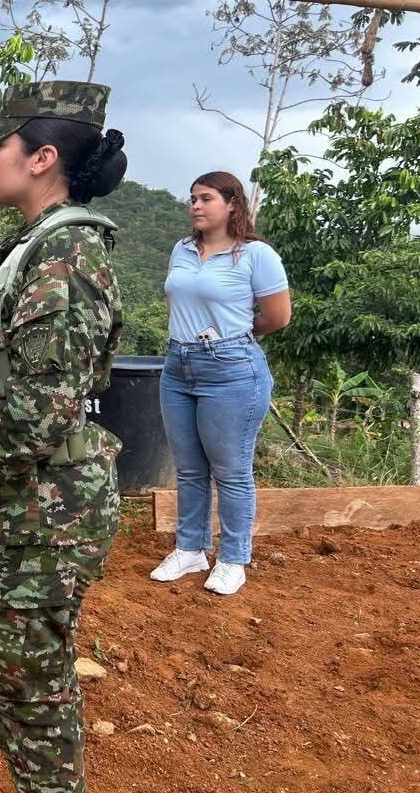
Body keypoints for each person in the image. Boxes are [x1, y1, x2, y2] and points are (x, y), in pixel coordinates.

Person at [0, 81, 127, 793]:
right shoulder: (36, 244)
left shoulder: (66, 258)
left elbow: (41, 410)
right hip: (27, 509)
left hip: (47, 513)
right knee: (21, 679)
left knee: (28, 693)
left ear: (42, 157)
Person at [150, 171, 291, 596]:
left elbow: (277, 317)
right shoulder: (182, 249)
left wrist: (230, 337)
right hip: (178, 365)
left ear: (232, 204)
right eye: (192, 197)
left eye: (206, 197)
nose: (195, 205)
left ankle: (232, 559)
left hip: (231, 369)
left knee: (231, 471)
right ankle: (190, 549)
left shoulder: (255, 255)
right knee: (190, 468)